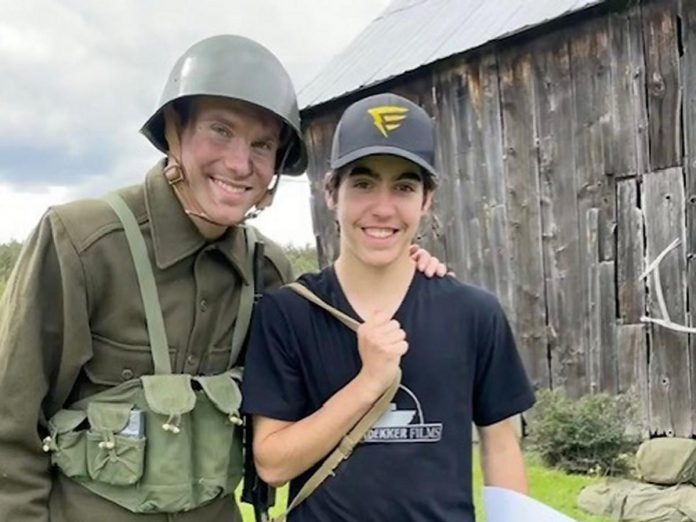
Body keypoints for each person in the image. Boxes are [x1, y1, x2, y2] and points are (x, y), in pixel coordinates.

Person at [0, 37, 445, 522]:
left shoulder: (267, 272)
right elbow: (10, 425)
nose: (239, 164)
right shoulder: (83, 243)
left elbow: (320, 386)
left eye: (262, 145)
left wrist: (401, 263)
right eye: (220, 131)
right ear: (174, 131)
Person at [241, 93, 536, 521]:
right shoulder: (287, 313)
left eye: (403, 186)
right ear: (331, 194)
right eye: (362, 184)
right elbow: (272, 464)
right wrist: (369, 382)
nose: (382, 208)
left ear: (426, 200)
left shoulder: (474, 314)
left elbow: (501, 443)